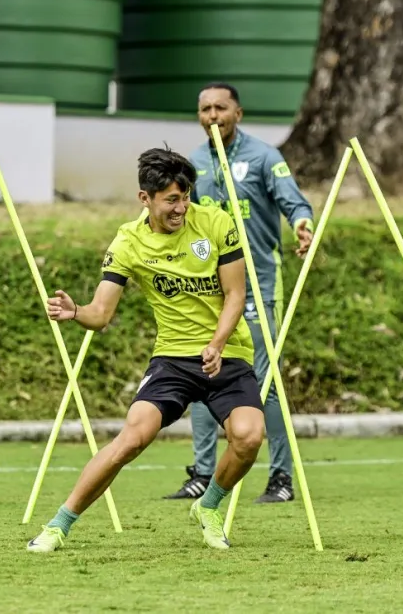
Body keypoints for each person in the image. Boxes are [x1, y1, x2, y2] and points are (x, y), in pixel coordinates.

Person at [26, 147, 264, 552]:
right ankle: (58, 525)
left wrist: (217, 344)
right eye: (171, 199)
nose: (181, 207)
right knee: (133, 437)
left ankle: (209, 506)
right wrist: (76, 312)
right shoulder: (128, 242)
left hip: (226, 354)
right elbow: (101, 315)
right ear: (145, 199)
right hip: (172, 358)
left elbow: (235, 295)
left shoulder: (216, 223)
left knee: (249, 436)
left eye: (185, 196)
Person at [163, 82, 315, 504]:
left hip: (260, 287)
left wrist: (303, 226)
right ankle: (202, 472)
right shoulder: (191, 163)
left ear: (238, 114)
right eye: (205, 109)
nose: (212, 116)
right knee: (200, 375)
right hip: (207, 293)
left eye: (221, 108)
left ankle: (280, 476)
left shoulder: (265, 157)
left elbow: (295, 204)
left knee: (265, 384)